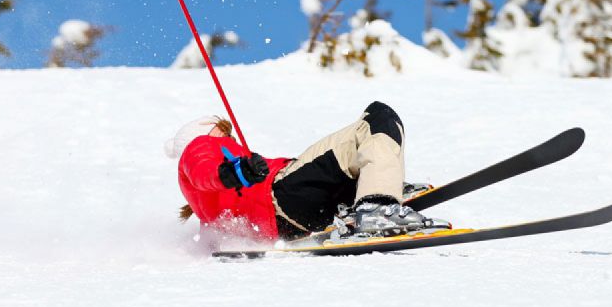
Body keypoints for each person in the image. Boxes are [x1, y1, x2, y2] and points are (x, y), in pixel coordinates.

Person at [164, 101, 439, 242]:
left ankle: (369, 191)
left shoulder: (204, 204)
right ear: (203, 133)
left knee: (351, 149)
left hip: (289, 223)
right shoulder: (200, 147)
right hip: (285, 196)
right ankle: (377, 201)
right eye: (223, 131)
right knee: (378, 118)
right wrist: (233, 172)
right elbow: (204, 167)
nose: (230, 137)